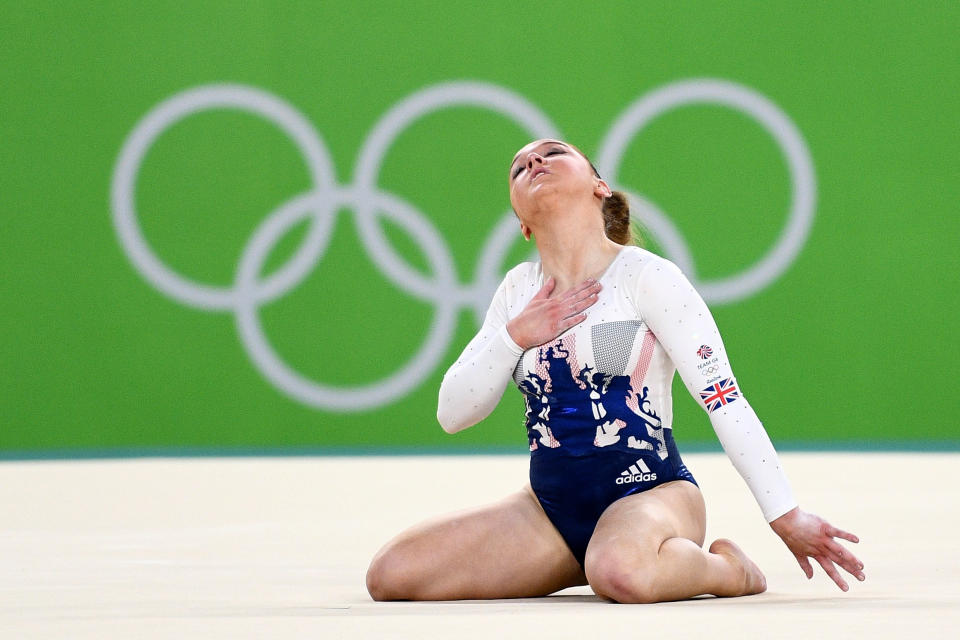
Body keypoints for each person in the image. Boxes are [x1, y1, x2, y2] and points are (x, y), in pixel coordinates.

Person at [365, 139, 865, 603]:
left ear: (599, 185)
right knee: (390, 575)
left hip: (654, 492)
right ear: (521, 222)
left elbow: (724, 399)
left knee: (620, 572)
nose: (533, 163)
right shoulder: (517, 293)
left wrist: (785, 514)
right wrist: (514, 336)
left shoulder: (648, 278)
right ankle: (586, 557)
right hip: (548, 510)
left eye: (552, 153)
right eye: (519, 168)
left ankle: (729, 570)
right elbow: (453, 412)